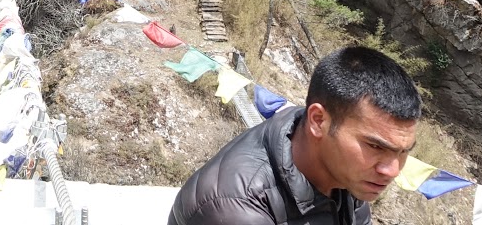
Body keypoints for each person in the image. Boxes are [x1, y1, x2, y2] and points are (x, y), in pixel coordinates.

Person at [166, 46, 420, 225]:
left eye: (403, 151)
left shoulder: (348, 173)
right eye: (375, 146)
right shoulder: (235, 208)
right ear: (318, 121)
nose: (392, 170)